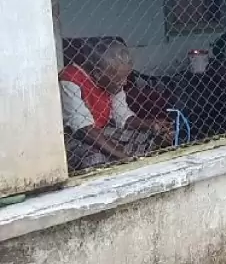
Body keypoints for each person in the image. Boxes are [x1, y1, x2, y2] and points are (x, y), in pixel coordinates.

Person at [59, 40, 173, 170]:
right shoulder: (70, 79)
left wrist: (152, 124)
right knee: (95, 158)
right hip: (74, 138)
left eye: (126, 78)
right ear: (97, 73)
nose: (124, 83)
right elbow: (85, 130)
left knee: (156, 136)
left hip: (103, 131)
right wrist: (122, 156)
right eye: (119, 79)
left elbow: (123, 116)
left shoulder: (111, 82)